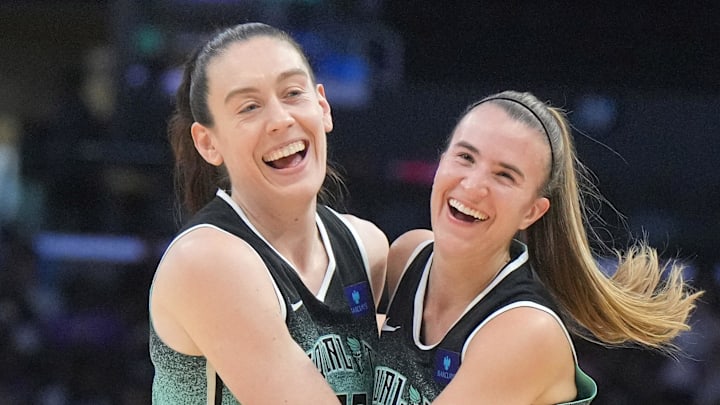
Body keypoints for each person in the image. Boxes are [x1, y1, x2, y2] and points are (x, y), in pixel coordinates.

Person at [373, 90, 702, 405]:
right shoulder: (409, 257)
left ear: (532, 211)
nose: (473, 185)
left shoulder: (528, 332)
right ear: (441, 162)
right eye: (465, 157)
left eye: (504, 175)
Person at [148, 22, 388, 404]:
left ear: (322, 107)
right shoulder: (206, 261)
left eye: (293, 93)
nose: (280, 119)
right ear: (208, 143)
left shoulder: (368, 249)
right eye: (249, 107)